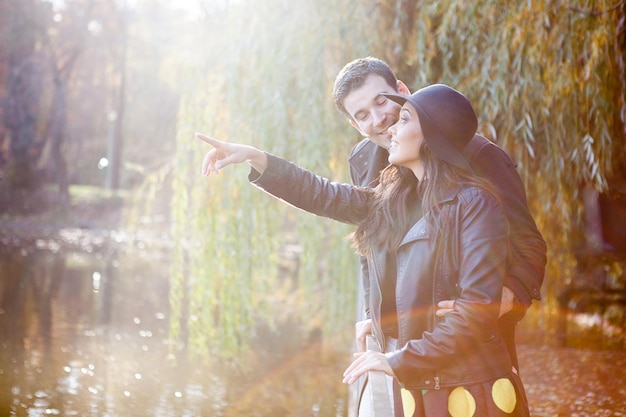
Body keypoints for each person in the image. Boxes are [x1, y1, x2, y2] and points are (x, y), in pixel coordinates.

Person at [196, 84, 531, 416]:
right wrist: (256, 158)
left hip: (471, 385)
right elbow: (324, 195)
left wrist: (396, 360)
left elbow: (476, 311)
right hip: (422, 384)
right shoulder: (395, 196)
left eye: (402, 119)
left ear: (430, 135)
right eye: (367, 116)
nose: (389, 128)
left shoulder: (474, 202)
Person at [331, 58, 546, 374]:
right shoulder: (363, 159)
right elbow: (371, 245)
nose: (379, 118)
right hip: (397, 340)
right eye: (362, 115)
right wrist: (373, 312)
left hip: (465, 337)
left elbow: (529, 245)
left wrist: (503, 300)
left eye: (382, 101)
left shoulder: (479, 156)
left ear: (402, 91)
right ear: (355, 125)